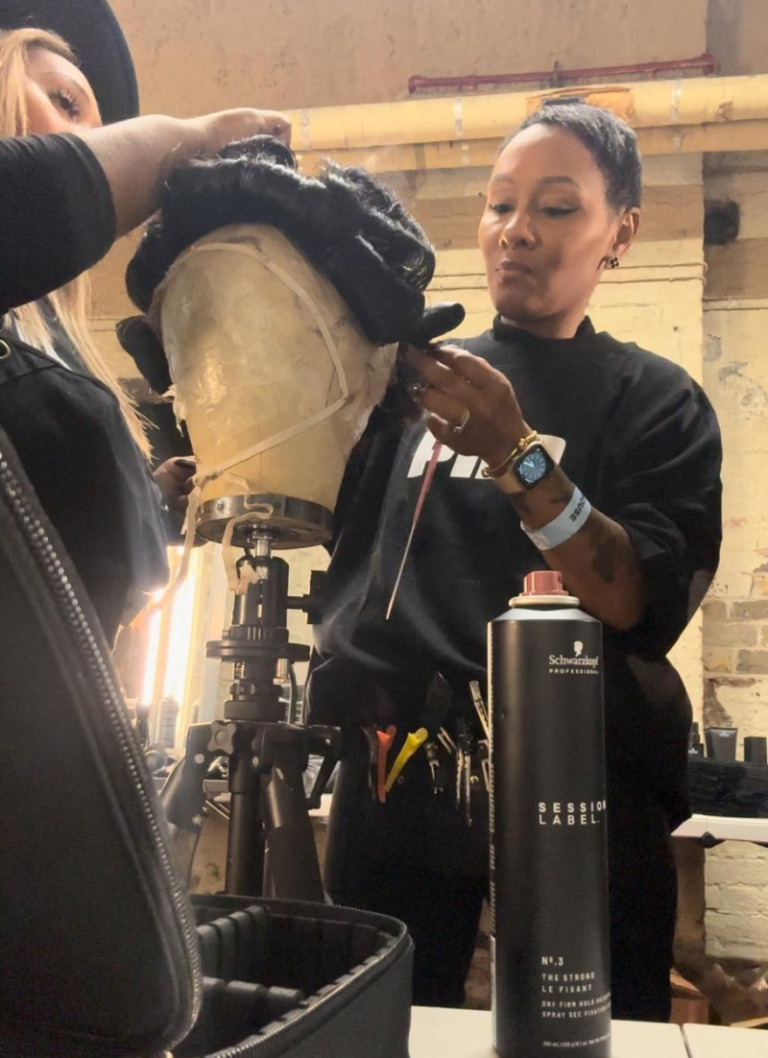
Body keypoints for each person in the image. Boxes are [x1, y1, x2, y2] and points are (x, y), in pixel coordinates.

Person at [307, 102, 722, 1020]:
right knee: (381, 1028)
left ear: (621, 233)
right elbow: (330, 534)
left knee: (590, 1031)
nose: (517, 230)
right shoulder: (409, 386)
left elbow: (636, 598)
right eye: (500, 204)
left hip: (584, 798)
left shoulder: (657, 403)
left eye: (556, 207)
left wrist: (515, 453)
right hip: (398, 786)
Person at [0, 1, 290, 642]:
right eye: (66, 103)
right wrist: (189, 141)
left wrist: (147, 498)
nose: (86, 141)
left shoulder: (39, 337)